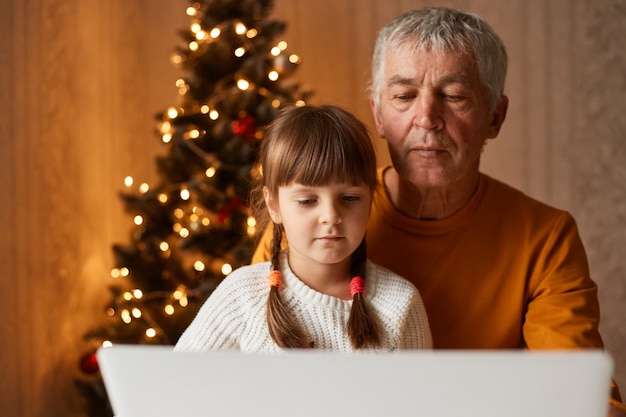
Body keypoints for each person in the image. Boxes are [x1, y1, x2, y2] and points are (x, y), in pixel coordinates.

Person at [252, 7, 625, 414]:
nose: (427, 118)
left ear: (495, 117)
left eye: (454, 96)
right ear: (378, 114)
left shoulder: (545, 236)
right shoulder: (311, 219)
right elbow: (255, 380)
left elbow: (582, 399)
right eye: (404, 96)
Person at [175, 104, 432, 352]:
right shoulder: (241, 297)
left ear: (370, 199)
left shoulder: (400, 303)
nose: (331, 217)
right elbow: (177, 382)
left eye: (350, 198)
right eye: (307, 201)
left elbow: (420, 396)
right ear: (273, 205)